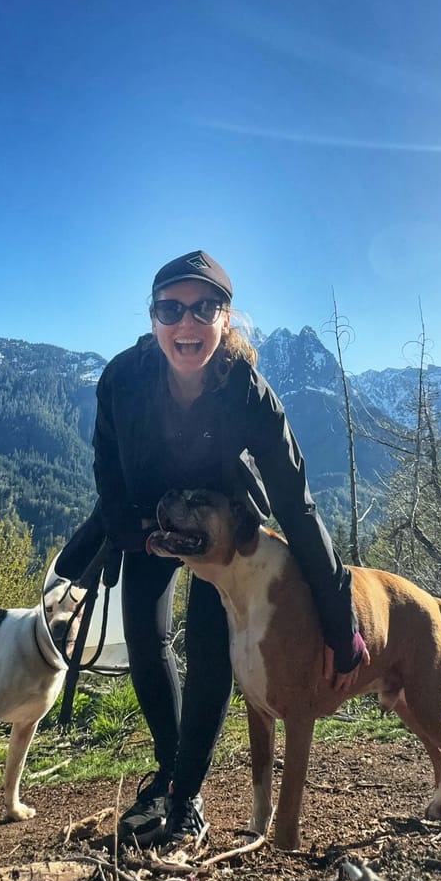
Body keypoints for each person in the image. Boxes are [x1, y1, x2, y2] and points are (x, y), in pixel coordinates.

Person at [71, 250, 370, 846]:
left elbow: (296, 506)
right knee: (146, 639)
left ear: (225, 319)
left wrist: (341, 624)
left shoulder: (247, 392)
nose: (186, 322)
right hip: (150, 518)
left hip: (221, 526)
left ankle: (185, 797)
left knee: (209, 654)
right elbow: (108, 472)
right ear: (153, 318)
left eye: (204, 308)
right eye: (170, 309)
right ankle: (169, 772)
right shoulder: (122, 380)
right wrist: (133, 534)